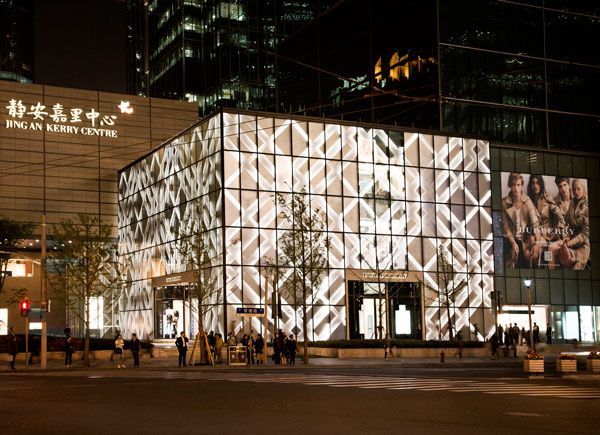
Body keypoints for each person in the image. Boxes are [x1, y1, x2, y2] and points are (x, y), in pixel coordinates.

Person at [549, 178, 590, 270]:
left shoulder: (587, 206)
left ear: (583, 189)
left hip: (582, 244)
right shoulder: (572, 202)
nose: (576, 192)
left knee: (575, 267)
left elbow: (585, 234)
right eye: (574, 189)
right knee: (551, 248)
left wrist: (568, 243)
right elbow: (567, 222)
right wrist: (566, 235)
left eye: (579, 189)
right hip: (569, 239)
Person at [502, 173, 540, 268]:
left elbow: (535, 224)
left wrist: (537, 243)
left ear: (522, 185)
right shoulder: (504, 202)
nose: (516, 188)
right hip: (510, 239)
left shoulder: (527, 201)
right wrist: (513, 242)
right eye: (513, 185)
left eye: (518, 185)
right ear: (510, 186)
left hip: (525, 239)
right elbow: (506, 228)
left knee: (530, 256)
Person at [526, 174, 565, 267]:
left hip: (549, 235)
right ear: (530, 185)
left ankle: (547, 269)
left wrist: (560, 227)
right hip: (535, 233)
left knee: (543, 249)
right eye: (533, 183)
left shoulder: (547, 197)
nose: (535, 186)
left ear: (541, 184)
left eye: (538, 183)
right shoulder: (528, 200)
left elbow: (558, 214)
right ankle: (538, 269)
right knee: (534, 243)